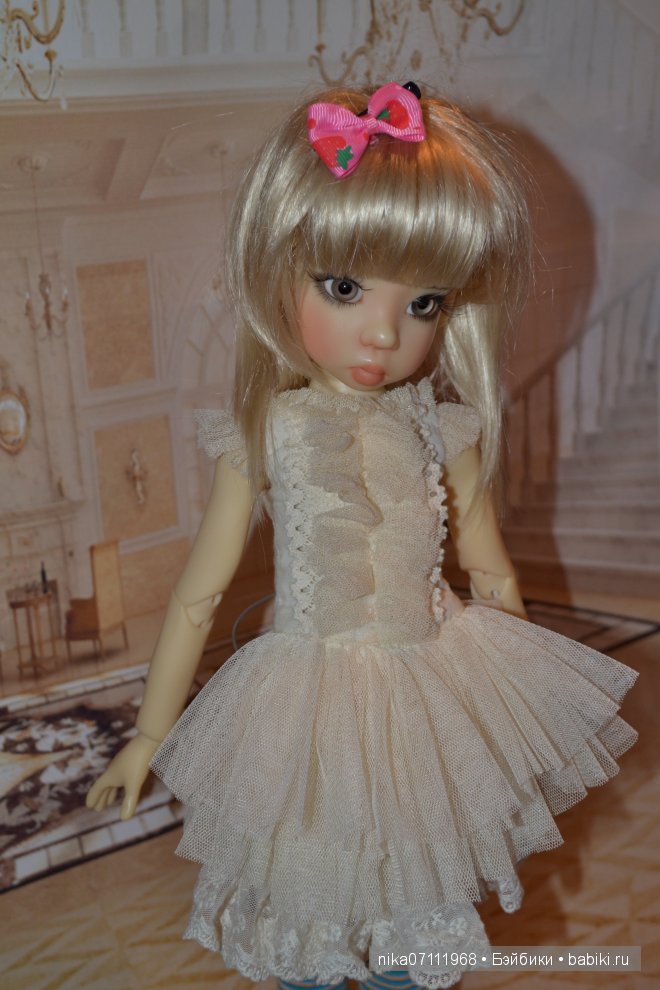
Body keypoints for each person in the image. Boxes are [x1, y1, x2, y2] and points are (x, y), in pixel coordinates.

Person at [87, 83, 637, 989]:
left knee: (408, 930)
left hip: (426, 694)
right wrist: (151, 733)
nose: (383, 331)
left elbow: (492, 576)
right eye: (344, 288)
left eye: (425, 303)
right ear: (279, 271)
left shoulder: (441, 429)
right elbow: (197, 595)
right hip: (305, 709)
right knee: (310, 913)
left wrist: (508, 710)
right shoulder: (268, 430)